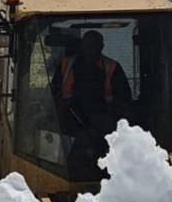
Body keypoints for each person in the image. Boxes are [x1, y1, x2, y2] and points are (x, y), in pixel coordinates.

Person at [55, 30, 132, 173]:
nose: (91, 50)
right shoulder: (66, 65)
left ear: (101, 47)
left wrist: (111, 119)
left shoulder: (112, 68)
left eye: (95, 46)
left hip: (103, 125)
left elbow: (124, 99)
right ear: (82, 46)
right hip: (69, 124)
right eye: (88, 46)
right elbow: (52, 95)